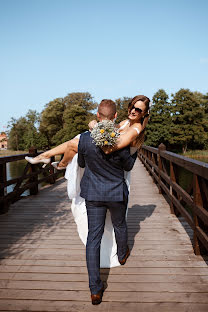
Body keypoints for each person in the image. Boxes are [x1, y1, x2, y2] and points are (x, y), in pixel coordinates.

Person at [77, 99, 137, 304]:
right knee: (120, 224)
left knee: (93, 238)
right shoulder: (119, 139)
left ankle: (95, 289)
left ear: (97, 115)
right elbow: (128, 166)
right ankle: (122, 255)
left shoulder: (84, 139)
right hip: (115, 193)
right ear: (114, 117)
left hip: (93, 194)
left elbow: (82, 162)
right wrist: (134, 151)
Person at [25, 95, 150, 169]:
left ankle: (61, 165)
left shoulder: (135, 129)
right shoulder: (126, 122)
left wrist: (96, 128)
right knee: (79, 138)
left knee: (74, 144)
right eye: (132, 106)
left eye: (138, 110)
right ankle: (45, 156)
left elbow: (111, 148)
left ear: (144, 113)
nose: (133, 111)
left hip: (119, 160)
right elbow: (108, 129)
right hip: (110, 152)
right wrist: (96, 124)